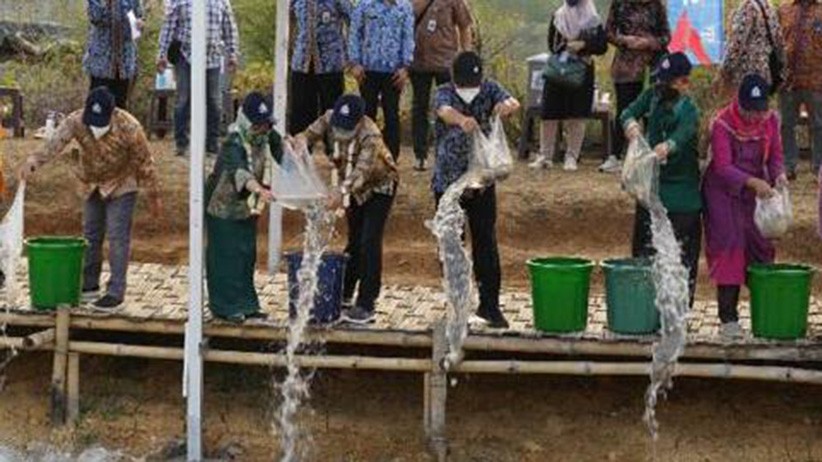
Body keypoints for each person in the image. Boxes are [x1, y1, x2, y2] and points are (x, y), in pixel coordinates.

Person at [20, 87, 162, 309]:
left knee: (117, 236)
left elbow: (146, 163)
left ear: (112, 113)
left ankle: (115, 292)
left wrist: (153, 197)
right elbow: (55, 142)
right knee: (90, 234)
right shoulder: (76, 120)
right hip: (91, 183)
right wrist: (34, 161)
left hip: (121, 182)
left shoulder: (130, 127)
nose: (96, 127)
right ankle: (89, 284)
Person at [291, 94, 399, 324]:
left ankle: (367, 303)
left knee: (370, 240)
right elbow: (309, 133)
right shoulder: (329, 118)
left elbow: (362, 171)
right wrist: (300, 140)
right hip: (351, 188)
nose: (341, 131)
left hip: (379, 186)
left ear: (359, 122)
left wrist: (340, 192)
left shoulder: (371, 136)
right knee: (354, 240)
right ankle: (346, 293)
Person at [433, 51, 520, 328]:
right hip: (449, 184)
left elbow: (512, 101)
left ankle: (490, 307)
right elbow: (443, 111)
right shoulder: (444, 92)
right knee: (452, 247)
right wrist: (461, 119)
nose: (471, 88)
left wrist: (505, 106)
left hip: (482, 182)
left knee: (486, 243)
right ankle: (457, 307)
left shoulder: (489, 88)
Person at [702, 74, 788, 339]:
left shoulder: (771, 120)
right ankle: (728, 318)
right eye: (748, 112)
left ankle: (767, 312)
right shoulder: (722, 124)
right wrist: (752, 182)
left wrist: (779, 175)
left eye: (759, 112)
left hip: (756, 193)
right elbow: (723, 166)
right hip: (723, 192)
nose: (754, 118)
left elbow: (775, 156)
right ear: (739, 105)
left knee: (761, 245)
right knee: (731, 244)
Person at [621, 52, 702, 306]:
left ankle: (679, 309)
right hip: (651, 192)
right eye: (660, 81)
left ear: (682, 83)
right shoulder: (652, 97)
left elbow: (683, 134)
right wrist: (631, 125)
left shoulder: (689, 110)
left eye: (668, 82)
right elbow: (627, 112)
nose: (661, 87)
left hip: (682, 197)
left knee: (681, 259)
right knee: (645, 255)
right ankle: (645, 307)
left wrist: (667, 146)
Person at [205, 92, 282, 323]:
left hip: (247, 208)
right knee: (225, 255)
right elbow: (240, 171)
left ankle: (247, 305)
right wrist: (260, 190)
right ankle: (224, 307)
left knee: (246, 254)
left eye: (265, 124)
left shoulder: (267, 134)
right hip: (223, 206)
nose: (262, 129)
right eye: (258, 125)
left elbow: (283, 154)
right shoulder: (234, 141)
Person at [529, 0, 607, 171]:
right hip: (558, 68)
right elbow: (552, 44)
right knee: (549, 112)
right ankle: (545, 155)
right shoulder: (558, 16)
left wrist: (583, 45)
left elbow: (602, 46)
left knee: (577, 114)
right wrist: (566, 45)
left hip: (582, 69)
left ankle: (572, 156)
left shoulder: (593, 19)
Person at [157, 0, 240, 156]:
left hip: (212, 57)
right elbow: (168, 27)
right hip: (186, 55)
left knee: (214, 101)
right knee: (183, 99)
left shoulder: (222, 2)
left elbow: (230, 27)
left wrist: (233, 53)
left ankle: (211, 144)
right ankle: (182, 143)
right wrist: (161, 54)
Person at [601, 0, 670, 174]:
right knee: (625, 109)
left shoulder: (657, 6)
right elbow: (608, 32)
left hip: (654, 64)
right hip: (626, 64)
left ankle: (653, 155)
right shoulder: (619, 4)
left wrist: (648, 42)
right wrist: (624, 40)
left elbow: (666, 37)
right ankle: (615, 156)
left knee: (655, 108)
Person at [410, 0, 474, 172]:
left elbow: (465, 25)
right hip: (418, 62)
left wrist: (466, 55)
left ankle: (448, 152)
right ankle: (420, 155)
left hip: (446, 62)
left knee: (448, 108)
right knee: (419, 107)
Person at [349, 0, 415, 161]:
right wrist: (355, 62)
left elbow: (408, 37)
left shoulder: (404, 7)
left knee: (391, 114)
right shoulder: (364, 5)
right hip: (367, 71)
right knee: (367, 114)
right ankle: (364, 154)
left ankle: (391, 157)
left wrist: (406, 67)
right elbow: (354, 33)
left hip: (394, 72)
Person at [288, 0, 352, 138]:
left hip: (330, 63)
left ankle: (334, 152)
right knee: (301, 111)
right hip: (302, 63)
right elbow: (289, 19)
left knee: (332, 111)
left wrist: (350, 54)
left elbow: (352, 20)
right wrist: (291, 46)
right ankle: (300, 153)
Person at [778, 0, 822, 180]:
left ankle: (818, 167)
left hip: (816, 80)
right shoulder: (783, 9)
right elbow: (776, 41)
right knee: (786, 124)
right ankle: (789, 165)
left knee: (819, 125)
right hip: (788, 80)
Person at [83, 0, 144, 108]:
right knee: (97, 108)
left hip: (124, 63)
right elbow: (95, 17)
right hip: (102, 63)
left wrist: (140, 23)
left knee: (119, 109)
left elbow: (139, 14)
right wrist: (106, 3)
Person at [718, 0, 786, 95]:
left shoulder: (748, 7)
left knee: (745, 108)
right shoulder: (768, 6)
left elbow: (737, 43)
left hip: (746, 75)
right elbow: (779, 42)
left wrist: (725, 69)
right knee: (759, 108)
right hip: (765, 74)